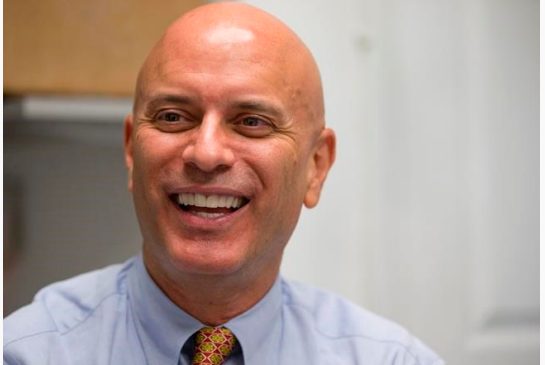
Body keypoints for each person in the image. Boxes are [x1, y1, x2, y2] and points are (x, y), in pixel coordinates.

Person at [4, 3, 443, 364]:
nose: (206, 153)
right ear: (132, 150)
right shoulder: (28, 352)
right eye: (173, 117)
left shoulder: (392, 359)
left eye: (252, 122)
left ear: (316, 166)